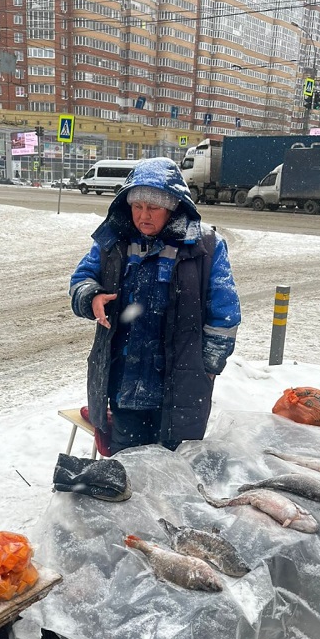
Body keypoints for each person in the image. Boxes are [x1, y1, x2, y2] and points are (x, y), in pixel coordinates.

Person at [69, 156, 241, 455]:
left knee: (173, 471)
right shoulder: (115, 240)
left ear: (174, 206)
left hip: (180, 386)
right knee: (128, 466)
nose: (143, 215)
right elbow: (82, 278)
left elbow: (224, 313)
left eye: (153, 207)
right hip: (125, 384)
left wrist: (209, 367)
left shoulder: (207, 246)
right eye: (137, 206)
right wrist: (91, 295)